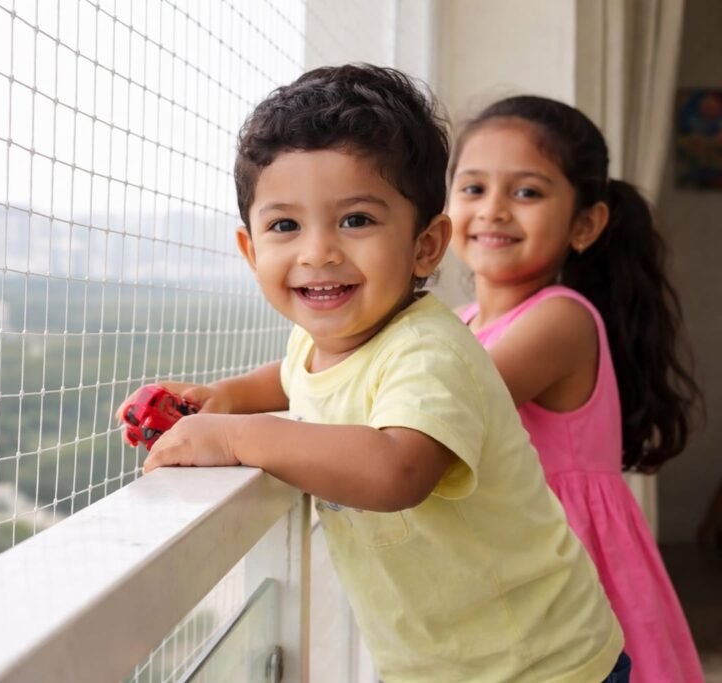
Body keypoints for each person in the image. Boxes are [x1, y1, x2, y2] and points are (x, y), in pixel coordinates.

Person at [122, 65, 630, 682]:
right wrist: (221, 398)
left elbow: (398, 469)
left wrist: (233, 437)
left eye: (356, 220)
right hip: (443, 661)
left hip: (538, 664)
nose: (318, 251)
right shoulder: (326, 336)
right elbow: (293, 376)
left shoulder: (428, 351)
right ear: (251, 250)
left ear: (425, 245)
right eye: (285, 225)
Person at [447, 95, 703, 683]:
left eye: (527, 192)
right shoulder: (459, 324)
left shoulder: (559, 320)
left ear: (584, 224)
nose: (493, 210)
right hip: (512, 567)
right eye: (473, 188)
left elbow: (445, 407)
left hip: (570, 578)